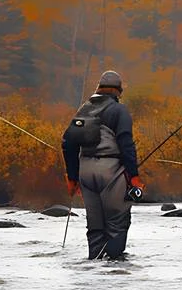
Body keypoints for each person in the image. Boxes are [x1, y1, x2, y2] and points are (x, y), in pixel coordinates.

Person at [61, 69, 143, 260]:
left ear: (98, 88)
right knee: (117, 223)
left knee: (95, 227)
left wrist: (72, 178)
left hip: (86, 173)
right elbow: (126, 144)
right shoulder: (119, 110)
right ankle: (113, 272)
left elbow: (67, 143)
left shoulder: (84, 109)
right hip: (111, 171)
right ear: (118, 91)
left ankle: (94, 271)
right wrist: (134, 176)